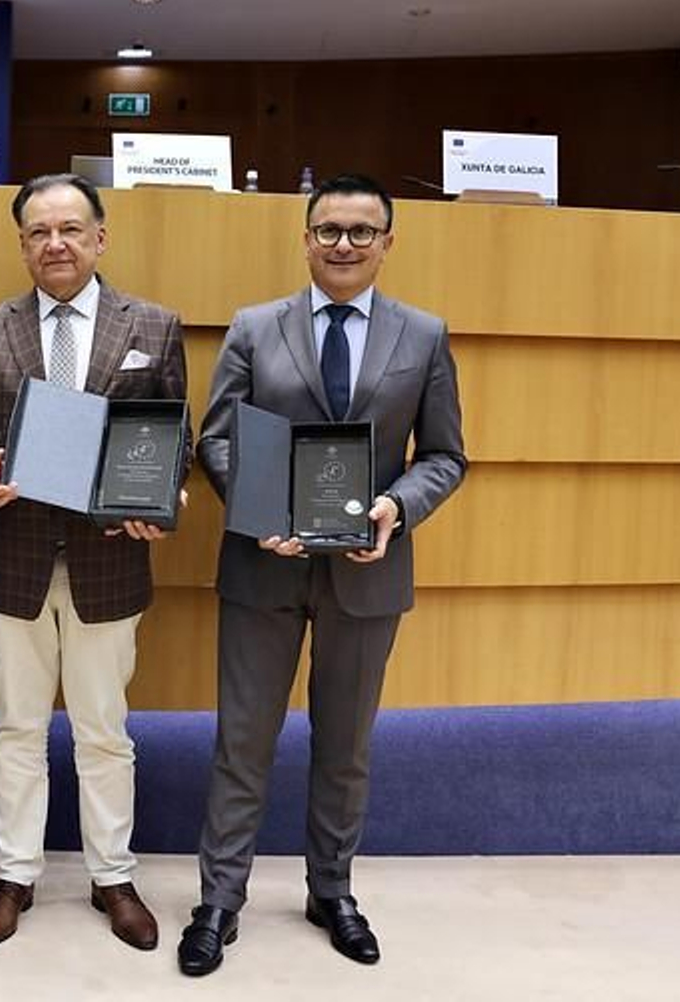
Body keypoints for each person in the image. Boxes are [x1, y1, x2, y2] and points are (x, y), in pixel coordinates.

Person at [177, 172, 466, 975]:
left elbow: (444, 455)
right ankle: (219, 900)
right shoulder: (254, 327)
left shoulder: (425, 335)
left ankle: (331, 890)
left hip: (369, 572)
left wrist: (397, 508)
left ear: (387, 243)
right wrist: (259, 506)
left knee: (345, 745)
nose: (344, 245)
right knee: (242, 741)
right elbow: (217, 440)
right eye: (329, 230)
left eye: (360, 232)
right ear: (306, 239)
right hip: (263, 566)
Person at [0, 173, 189, 951]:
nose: (56, 244)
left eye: (72, 229)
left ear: (100, 237)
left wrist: (160, 498)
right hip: (13, 559)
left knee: (104, 730)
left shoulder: (153, 323)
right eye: (40, 232)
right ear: (21, 244)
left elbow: (172, 438)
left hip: (109, 563)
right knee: (16, 726)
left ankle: (113, 875)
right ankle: (16, 873)